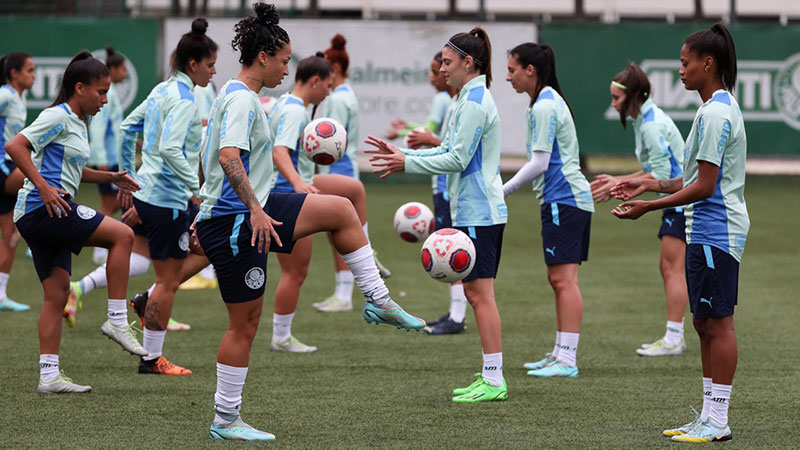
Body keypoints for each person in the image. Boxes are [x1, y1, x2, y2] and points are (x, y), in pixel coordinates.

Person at [196, 4, 424, 440]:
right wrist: (251, 210)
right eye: (283, 60)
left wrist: (218, 204)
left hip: (242, 210)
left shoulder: (232, 92)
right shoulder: (242, 98)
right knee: (243, 324)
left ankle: (377, 298)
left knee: (341, 208)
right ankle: (225, 419)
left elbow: (211, 161)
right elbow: (227, 158)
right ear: (263, 57)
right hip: (238, 219)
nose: (287, 68)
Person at [611, 22, 747, 443]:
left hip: (716, 232)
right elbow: (691, 178)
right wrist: (648, 183)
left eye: (686, 64)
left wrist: (648, 207)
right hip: (704, 230)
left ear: (709, 64)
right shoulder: (709, 110)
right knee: (704, 324)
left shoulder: (718, 113)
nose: (681, 71)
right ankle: (707, 415)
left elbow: (705, 187)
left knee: (718, 324)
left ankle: (718, 421)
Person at [368, 27, 508, 403]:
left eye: (447, 62)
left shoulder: (476, 100)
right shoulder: (466, 97)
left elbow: (458, 159)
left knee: (481, 294)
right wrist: (403, 154)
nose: (442, 69)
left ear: (468, 62)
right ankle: (490, 376)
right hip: (472, 209)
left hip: (480, 211)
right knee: (478, 294)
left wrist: (406, 163)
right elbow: (448, 148)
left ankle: (494, 380)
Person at [5, 50, 144, 393]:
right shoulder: (57, 116)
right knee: (123, 235)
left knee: (57, 295)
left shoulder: (77, 123)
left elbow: (74, 171)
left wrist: (110, 176)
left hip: (39, 212)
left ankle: (49, 376)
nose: (105, 99)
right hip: (43, 208)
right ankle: (116, 321)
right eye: (100, 91)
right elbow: (15, 146)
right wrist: (44, 188)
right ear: (79, 88)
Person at [118, 18, 218, 375]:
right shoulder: (187, 100)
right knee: (168, 279)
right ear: (193, 64)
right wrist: (198, 191)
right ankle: (150, 359)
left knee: (204, 251)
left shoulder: (162, 90)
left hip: (152, 193)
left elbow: (128, 127)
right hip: (166, 198)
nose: (213, 71)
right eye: (210, 64)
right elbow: (172, 149)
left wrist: (127, 176)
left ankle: (147, 301)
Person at [503, 42, 594, 379]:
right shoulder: (545, 101)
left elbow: (539, 163)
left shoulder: (544, 105)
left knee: (563, 280)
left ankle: (567, 359)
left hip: (565, 199)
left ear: (531, 70)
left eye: (512, 70)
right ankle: (559, 353)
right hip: (564, 200)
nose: (508, 76)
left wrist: (503, 191)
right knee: (559, 279)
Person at [590, 62, 688, 356]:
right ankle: (674, 336)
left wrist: (621, 180)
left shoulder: (650, 124)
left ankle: (674, 339)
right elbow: (653, 171)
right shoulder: (643, 120)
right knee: (670, 267)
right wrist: (620, 180)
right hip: (678, 197)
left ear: (633, 97)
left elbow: (662, 176)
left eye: (616, 98)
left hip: (681, 199)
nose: (612, 103)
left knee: (672, 268)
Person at [313, 34, 392, 313]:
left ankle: (344, 293)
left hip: (336, 168)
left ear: (333, 70)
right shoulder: (350, 94)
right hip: (348, 167)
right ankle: (345, 288)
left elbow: (327, 143)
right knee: (339, 232)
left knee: (337, 233)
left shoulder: (336, 99)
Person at [392, 51, 466, 335]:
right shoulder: (453, 103)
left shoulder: (452, 102)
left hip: (449, 185)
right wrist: (410, 134)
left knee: (451, 247)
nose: (436, 74)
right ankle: (455, 311)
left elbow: (447, 146)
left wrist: (417, 137)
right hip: (442, 184)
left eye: (440, 68)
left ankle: (458, 318)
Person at [0, 51, 34, 312]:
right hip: (3, 169)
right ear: (14, 74)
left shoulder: (18, 99)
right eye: (29, 70)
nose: (33, 75)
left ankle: (1, 295)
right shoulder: (7, 95)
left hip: (9, 170)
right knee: (43, 179)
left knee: (9, 236)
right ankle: (41, 235)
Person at [87, 46, 127, 265]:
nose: (126, 73)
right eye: (123, 69)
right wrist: (100, 159)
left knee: (116, 202)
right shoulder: (106, 95)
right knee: (110, 204)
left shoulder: (112, 94)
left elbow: (114, 128)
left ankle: (101, 246)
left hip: (114, 158)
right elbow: (98, 129)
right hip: (108, 160)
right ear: (113, 69)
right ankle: (98, 247)